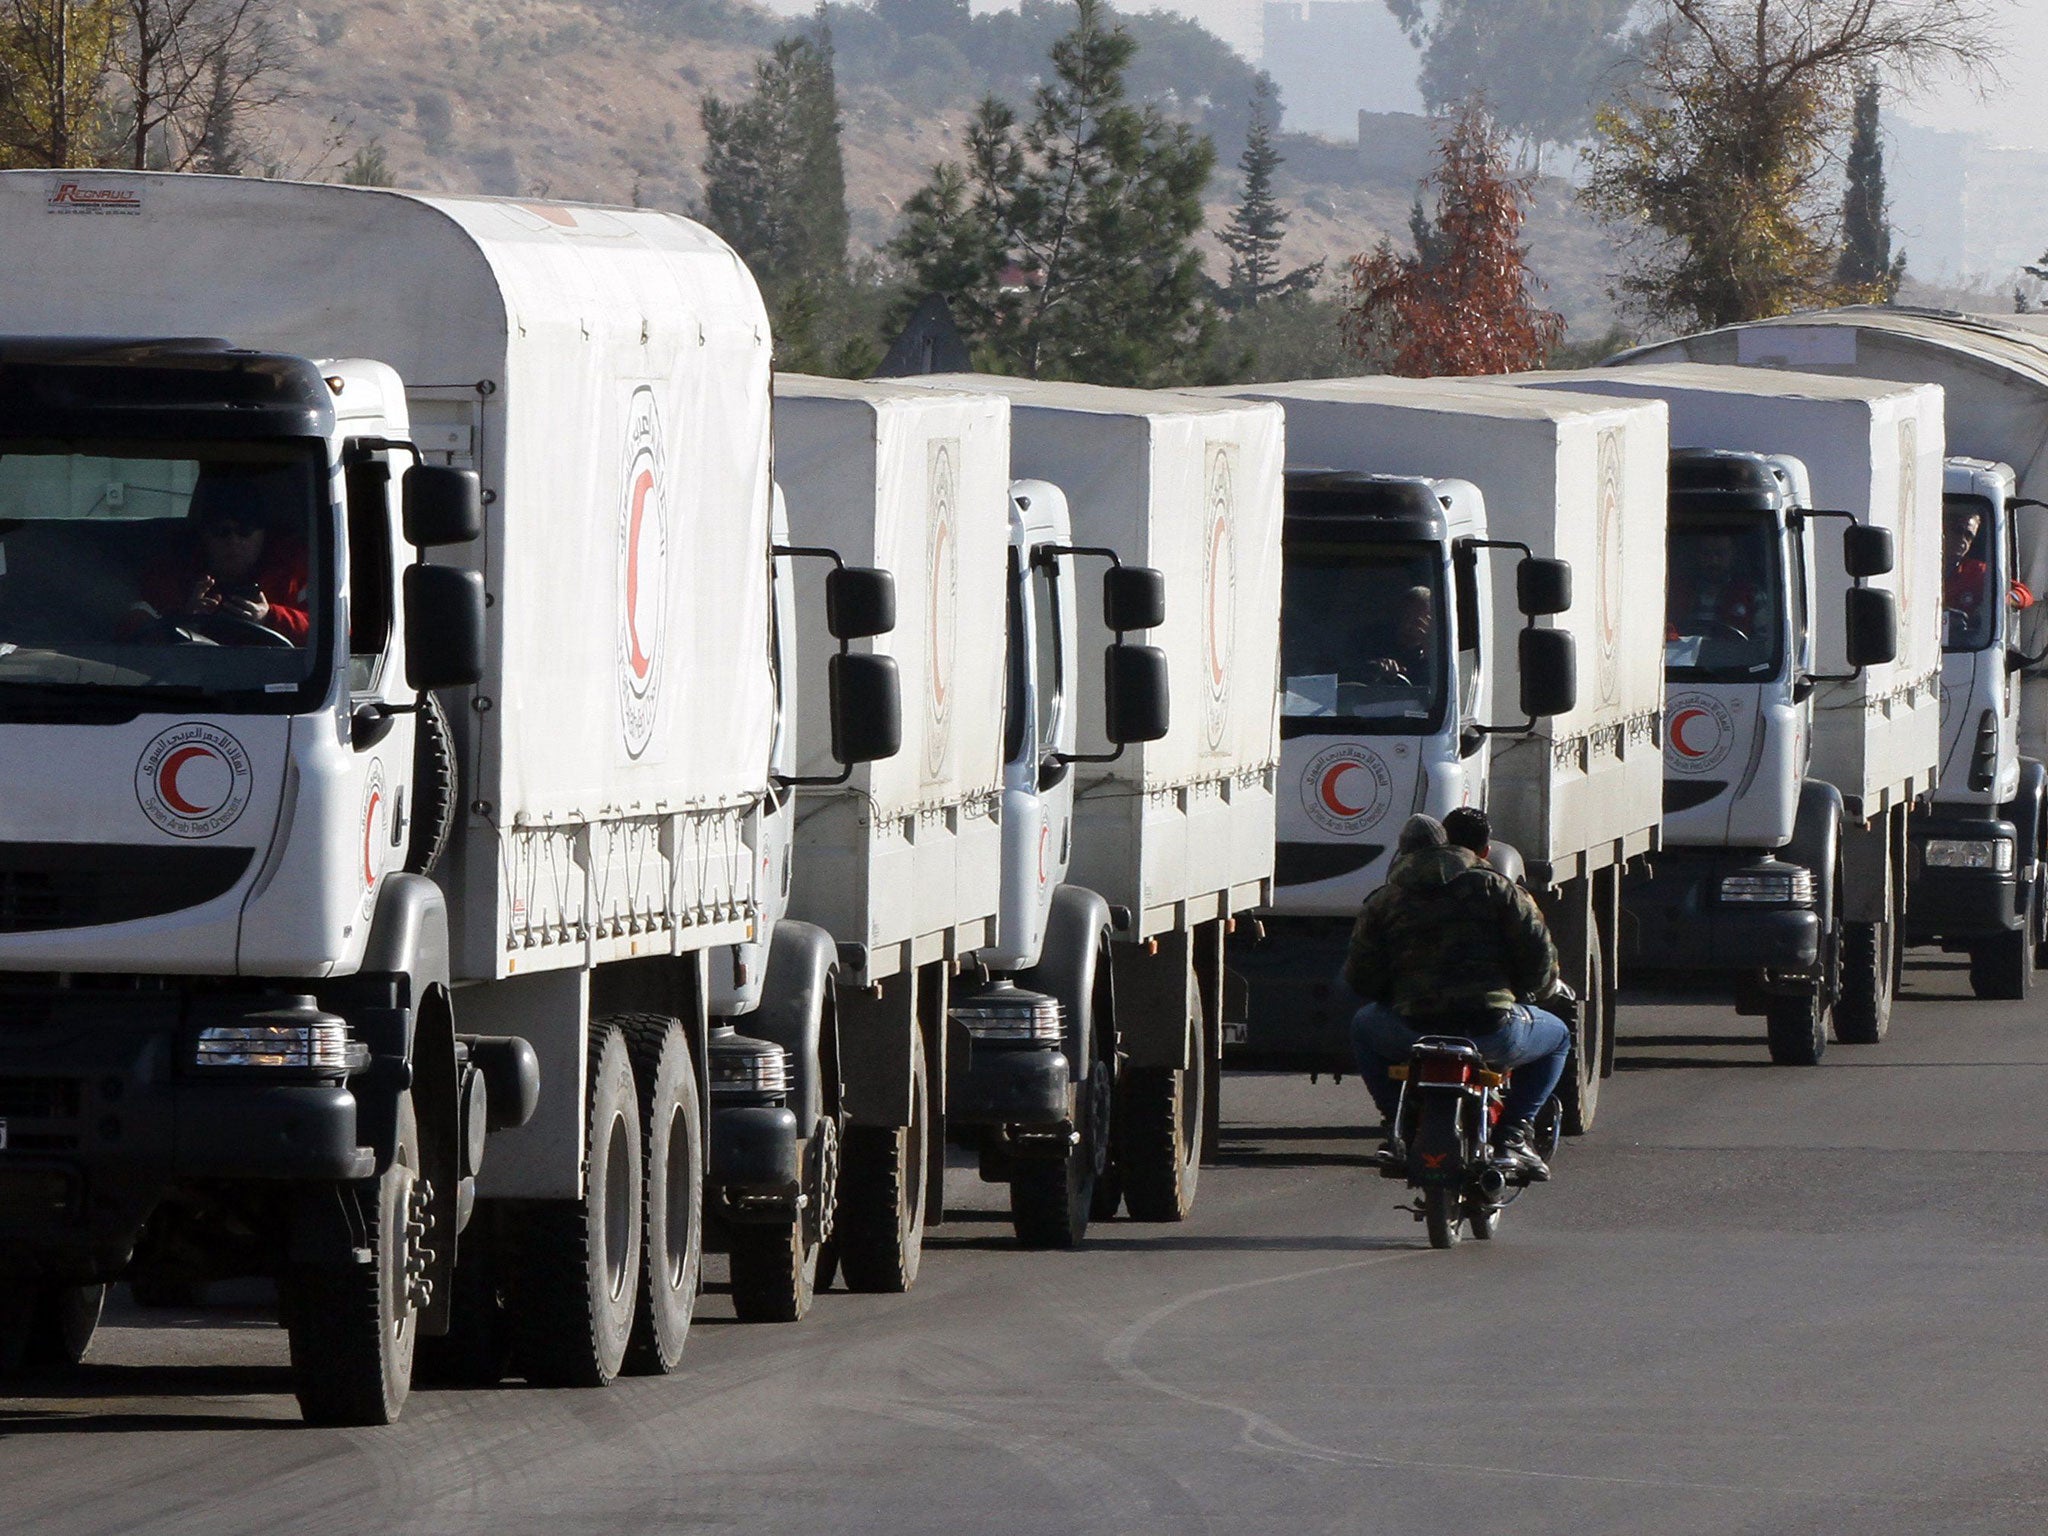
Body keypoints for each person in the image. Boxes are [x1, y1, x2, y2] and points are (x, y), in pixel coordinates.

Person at [1343, 812, 1571, 1179]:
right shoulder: (1498, 889)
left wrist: (1395, 994)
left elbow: (1360, 977)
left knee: (1362, 1026)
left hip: (1412, 1032)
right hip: (1492, 1030)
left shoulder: (1383, 901)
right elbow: (1538, 955)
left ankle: (1395, 1125)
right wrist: (1542, 992)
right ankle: (1513, 1134)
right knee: (1558, 1035)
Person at [129, 471, 310, 644]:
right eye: (221, 531)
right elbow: (132, 630)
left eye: (244, 531)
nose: (233, 541)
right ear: (204, 536)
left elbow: (325, 631)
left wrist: (269, 617)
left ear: (263, 535)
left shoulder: (293, 574)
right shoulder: (174, 573)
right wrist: (184, 618)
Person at [1943, 503, 2033, 639]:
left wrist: (2003, 599)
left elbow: (2024, 596)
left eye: (1968, 536)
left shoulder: (1975, 572)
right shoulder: (1919, 559)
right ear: (1944, 530)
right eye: (1957, 531)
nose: (1963, 541)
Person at [1666, 530, 1765, 640]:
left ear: (1732, 555)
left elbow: (1764, 642)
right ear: (1697, 555)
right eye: (1706, 554)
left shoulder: (1752, 595)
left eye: (1720, 553)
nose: (1714, 561)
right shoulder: (1674, 594)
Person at [1364, 584, 1434, 682]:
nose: (1411, 623)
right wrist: (1377, 668)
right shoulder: (1372, 641)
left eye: (1419, 619)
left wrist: (1430, 652)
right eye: (1408, 615)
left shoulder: (1433, 655)